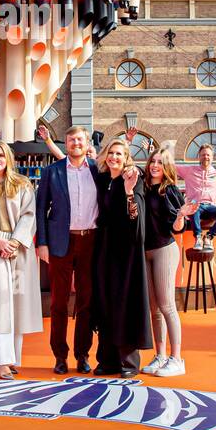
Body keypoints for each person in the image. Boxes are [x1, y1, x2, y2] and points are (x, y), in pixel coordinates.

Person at [35, 125, 102, 374]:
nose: (76, 143)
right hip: (60, 243)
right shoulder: (52, 171)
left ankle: (83, 355)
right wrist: (42, 243)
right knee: (59, 303)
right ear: (66, 142)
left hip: (90, 242)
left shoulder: (98, 170)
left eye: (80, 139)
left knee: (86, 302)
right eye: (72, 139)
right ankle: (60, 356)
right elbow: (41, 209)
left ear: (87, 143)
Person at [0, 139, 42, 379]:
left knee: (17, 303)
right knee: (0, 303)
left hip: (18, 246)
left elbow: (29, 214)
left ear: (8, 159)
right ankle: (1, 361)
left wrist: (13, 242)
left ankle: (12, 358)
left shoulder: (22, 184)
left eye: (1, 156)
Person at [90, 138, 152, 377]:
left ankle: (128, 361)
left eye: (119, 154)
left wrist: (128, 192)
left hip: (126, 250)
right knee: (105, 301)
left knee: (124, 301)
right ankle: (107, 360)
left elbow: (135, 217)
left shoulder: (133, 179)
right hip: (105, 248)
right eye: (111, 153)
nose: (114, 157)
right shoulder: (104, 179)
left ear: (126, 158)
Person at [140, 148, 196, 377]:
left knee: (166, 305)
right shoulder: (142, 187)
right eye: (152, 161)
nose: (155, 165)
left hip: (164, 248)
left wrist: (181, 215)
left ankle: (177, 358)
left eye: (160, 163)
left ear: (167, 168)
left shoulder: (170, 190)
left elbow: (178, 229)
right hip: (145, 250)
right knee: (154, 308)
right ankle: (160, 355)